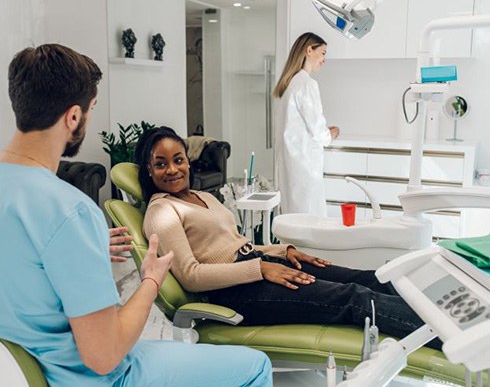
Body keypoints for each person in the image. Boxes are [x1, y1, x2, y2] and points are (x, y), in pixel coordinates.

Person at [0, 44, 272, 386]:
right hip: (91, 378)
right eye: (90, 110)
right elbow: (104, 355)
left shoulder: (36, 205)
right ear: (73, 117)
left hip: (19, 372)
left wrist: (84, 247)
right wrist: (151, 280)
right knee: (256, 366)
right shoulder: (70, 210)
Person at [137, 126, 441, 349]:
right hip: (234, 291)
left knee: (368, 278)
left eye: (178, 159)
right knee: (352, 298)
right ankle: (446, 335)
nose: (172, 169)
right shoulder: (162, 211)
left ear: (188, 161)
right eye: (161, 164)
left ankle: (450, 309)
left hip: (260, 266)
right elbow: (191, 275)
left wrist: (283, 252)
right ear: (149, 172)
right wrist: (261, 268)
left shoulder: (203, 196)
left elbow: (235, 244)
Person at [273, 32, 340, 217]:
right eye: (323, 53)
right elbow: (318, 130)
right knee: (311, 223)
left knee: (294, 221)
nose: (325, 60)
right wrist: (330, 135)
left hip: (292, 167)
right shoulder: (306, 84)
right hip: (305, 168)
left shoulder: (290, 84)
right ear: (309, 50)